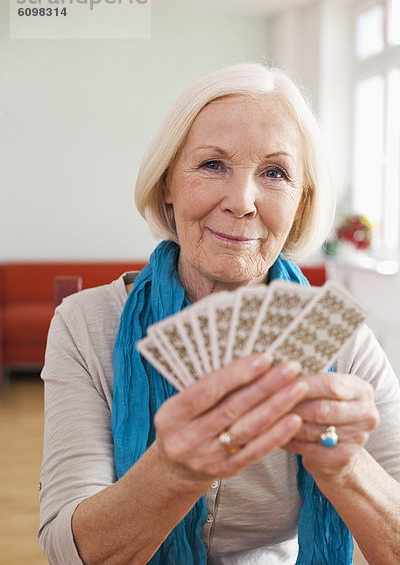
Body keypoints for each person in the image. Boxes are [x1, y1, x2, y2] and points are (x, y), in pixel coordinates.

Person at [38, 63, 400, 565]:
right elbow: (68, 551)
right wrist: (172, 471)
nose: (242, 201)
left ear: (301, 202)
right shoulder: (85, 325)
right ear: (168, 184)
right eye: (212, 165)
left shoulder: (341, 342)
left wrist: (347, 470)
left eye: (274, 173)